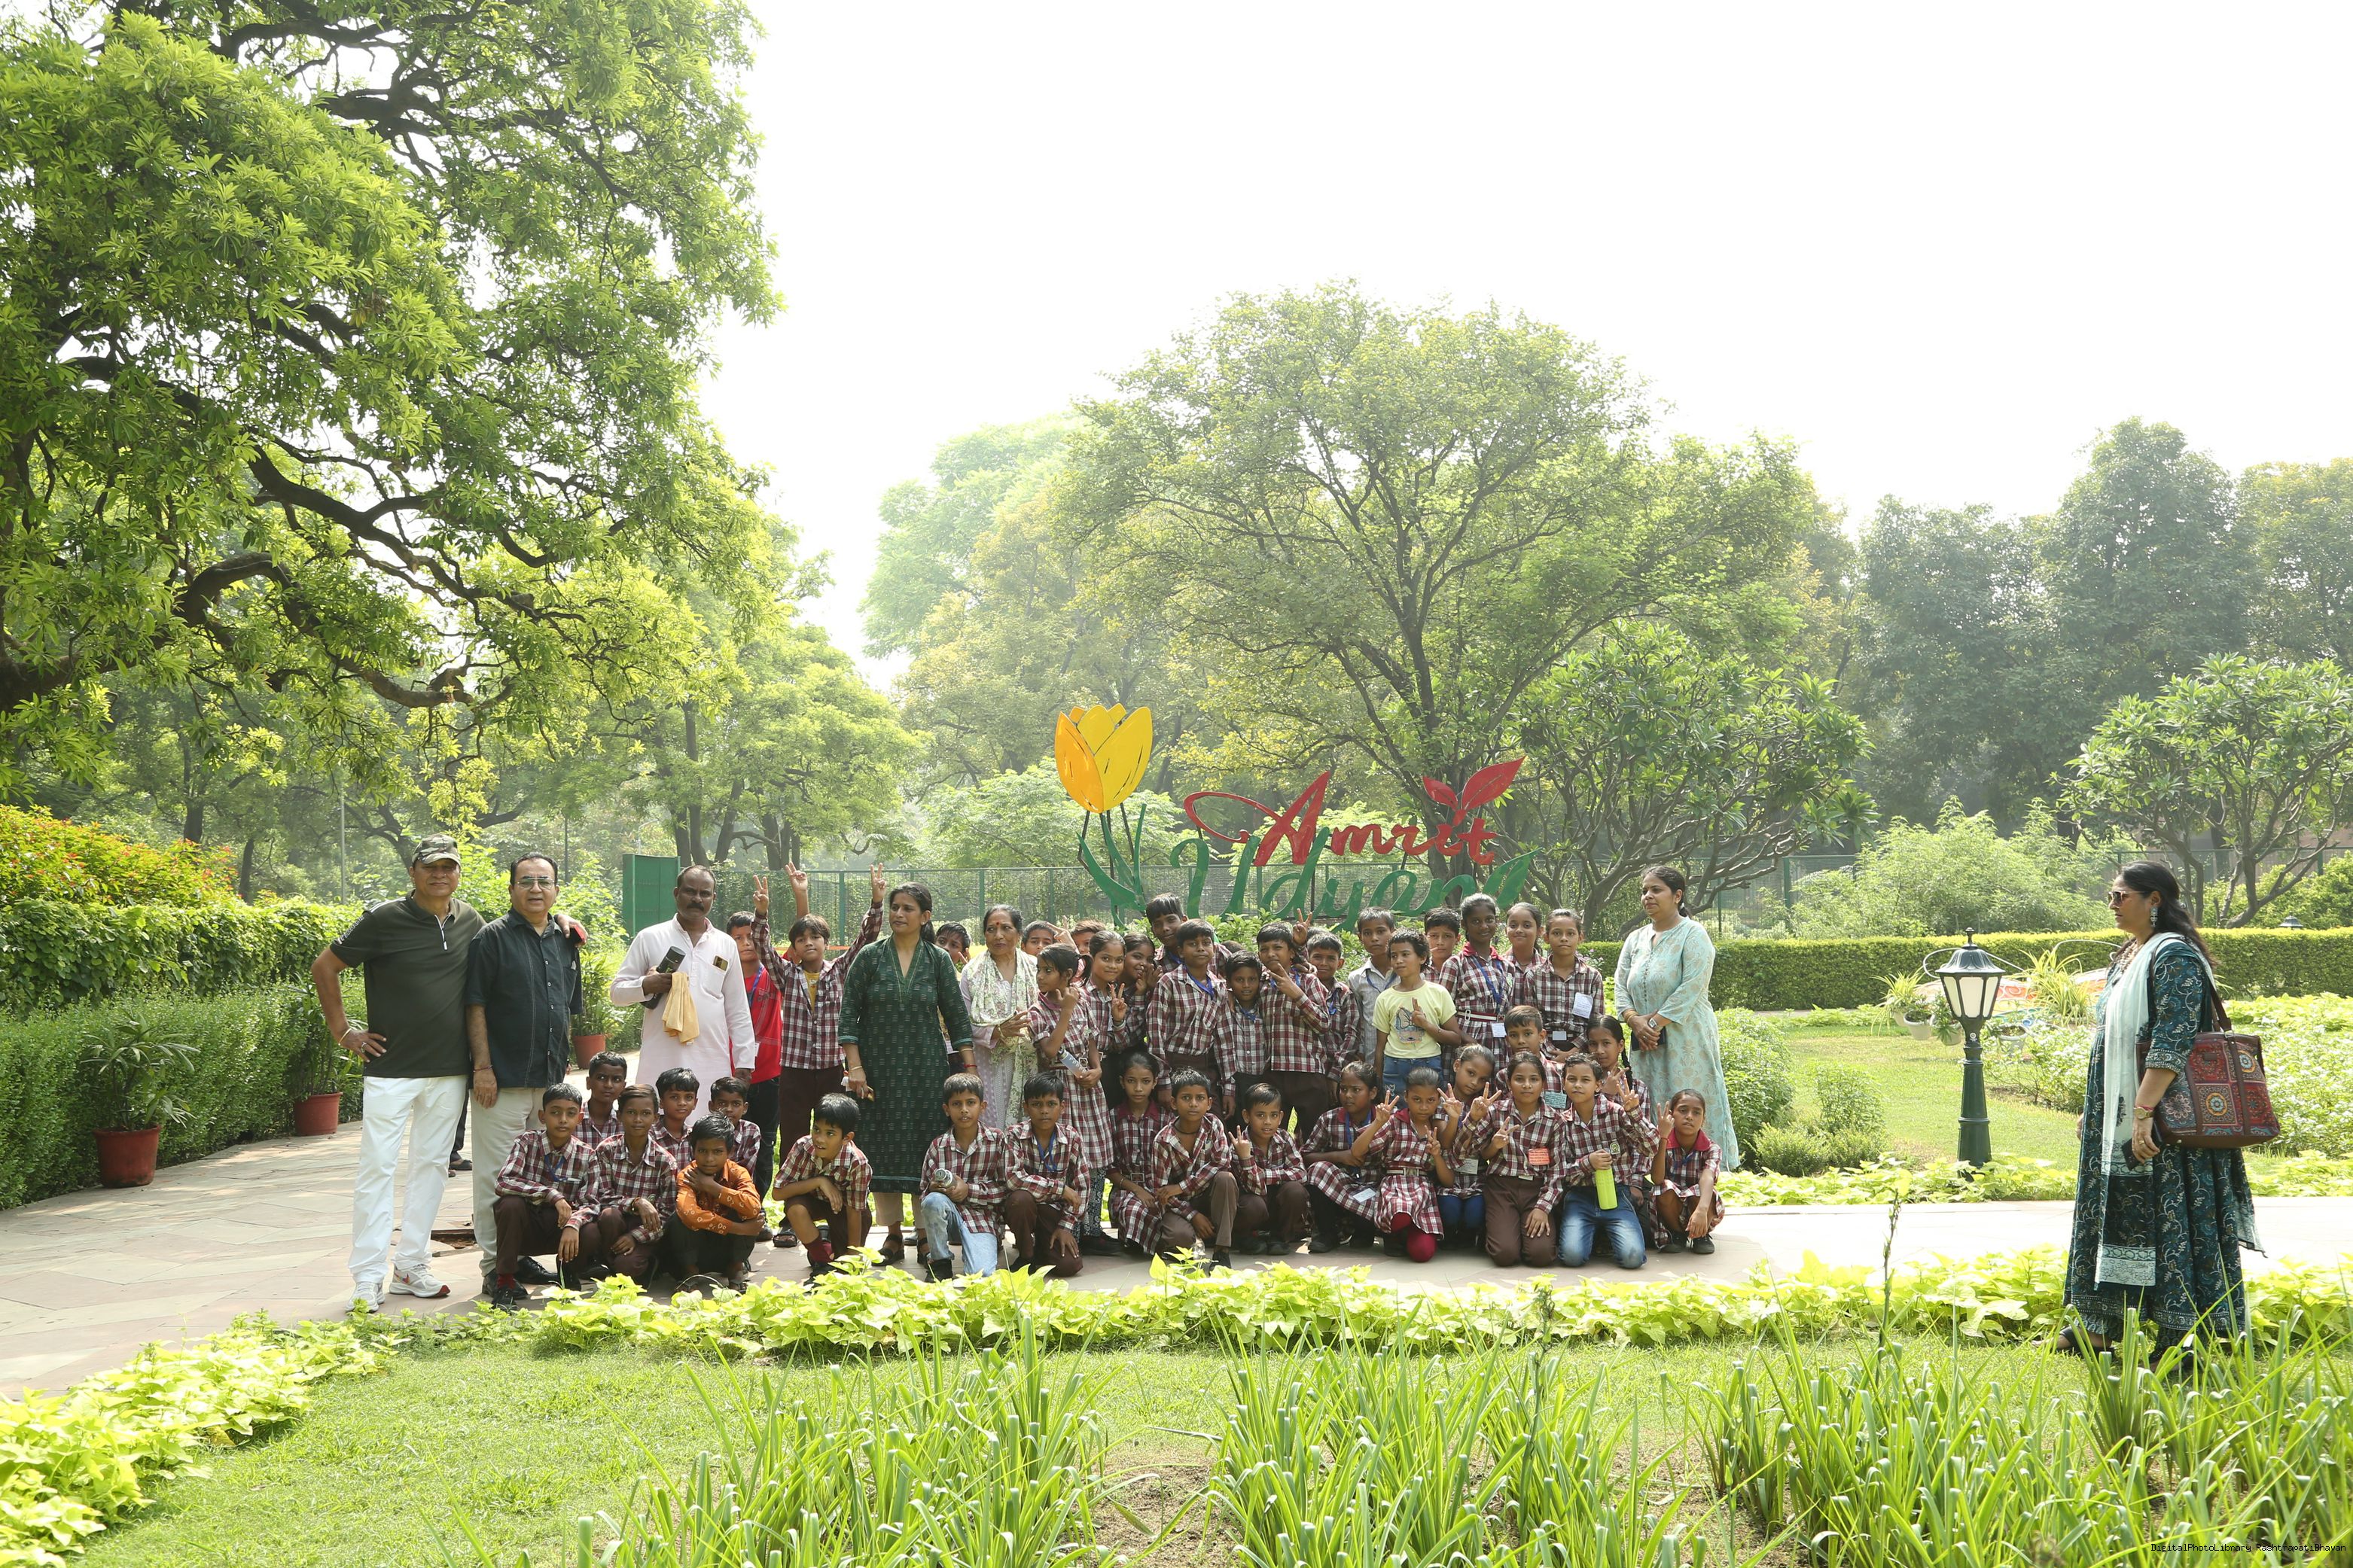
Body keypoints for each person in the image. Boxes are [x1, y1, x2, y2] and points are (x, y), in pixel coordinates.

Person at [2062, 861, 2260, 1356]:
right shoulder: (2129, 954)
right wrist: (2098, 1108)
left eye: (2121, 896)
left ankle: (2184, 1339)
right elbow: (2112, 1040)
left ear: (2154, 900)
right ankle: (2098, 1326)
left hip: (2167, 1117)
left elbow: (2174, 1039)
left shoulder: (2175, 955)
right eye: (2110, 896)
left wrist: (2143, 1112)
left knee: (2172, 1219)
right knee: (2114, 1214)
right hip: (2121, 1110)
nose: (2112, 904)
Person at [314, 833, 482, 1308]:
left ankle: (411, 1266)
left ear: (458, 873)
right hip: (391, 1069)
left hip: (449, 1070)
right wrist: (344, 1032)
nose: (440, 875)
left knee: (432, 1169)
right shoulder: (384, 919)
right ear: (413, 872)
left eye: (448, 867)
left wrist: (562, 921)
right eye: (431, 867)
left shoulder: (470, 920)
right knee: (378, 1169)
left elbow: (511, 938)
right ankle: (368, 1275)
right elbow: (325, 967)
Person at [463, 852, 585, 1298]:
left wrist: (563, 1066)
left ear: (556, 889)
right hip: (502, 1080)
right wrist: (482, 1068)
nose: (536, 888)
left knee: (545, 1177)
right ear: (512, 888)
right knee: (496, 1177)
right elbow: (475, 1005)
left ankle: (520, 1258)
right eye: (527, 881)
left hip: (548, 1084)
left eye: (544, 881)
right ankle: (495, 1268)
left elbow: (568, 1008)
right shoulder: (491, 939)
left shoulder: (566, 940)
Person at [837, 881, 975, 1265]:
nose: (898, 914)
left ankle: (926, 1235)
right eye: (894, 907)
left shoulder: (938, 960)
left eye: (907, 908)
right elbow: (848, 1014)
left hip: (925, 1069)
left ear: (925, 917)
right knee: (880, 1145)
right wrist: (855, 1067)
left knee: (924, 1147)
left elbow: (956, 1016)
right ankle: (893, 1235)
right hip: (877, 1069)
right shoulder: (870, 957)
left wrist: (970, 1068)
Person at [745, 863, 885, 1215]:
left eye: (815, 937)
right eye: (801, 939)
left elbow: (865, 940)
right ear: (794, 947)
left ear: (825, 942)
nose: (808, 943)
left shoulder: (839, 971)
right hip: (793, 1071)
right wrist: (761, 913)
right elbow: (762, 946)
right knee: (793, 1137)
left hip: (830, 1070)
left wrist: (876, 902)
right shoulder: (786, 974)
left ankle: (835, 1203)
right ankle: (794, 1210)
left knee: (833, 1135)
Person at [1614, 867, 1739, 1168]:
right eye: (1644, 891)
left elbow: (1692, 986)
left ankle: (1704, 1171)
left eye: (1656, 890)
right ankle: (1652, 1173)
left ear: (1677, 895)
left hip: (1686, 1038)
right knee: (1651, 1101)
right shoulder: (1635, 939)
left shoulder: (1693, 934)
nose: (1648, 896)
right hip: (1646, 1043)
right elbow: (1620, 984)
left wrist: (1653, 1024)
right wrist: (1634, 1020)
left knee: (1687, 1102)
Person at [611, 865, 757, 1119]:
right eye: (690, 891)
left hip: (711, 1057)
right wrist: (647, 985)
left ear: (713, 898)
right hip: (661, 1055)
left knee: (708, 1127)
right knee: (657, 1124)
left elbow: (737, 1009)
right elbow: (617, 993)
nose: (697, 899)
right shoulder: (650, 937)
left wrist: (745, 1062)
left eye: (705, 893)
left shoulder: (725, 944)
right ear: (676, 893)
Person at [1028, 942, 1116, 1255]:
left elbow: (1092, 1040)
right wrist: (1065, 1011)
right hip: (1060, 1091)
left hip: (1087, 1089)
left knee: (1095, 1159)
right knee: (1067, 1159)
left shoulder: (1083, 1000)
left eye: (1047, 971)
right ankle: (1071, 1228)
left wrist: (1097, 1069)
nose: (1040, 976)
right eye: (1039, 970)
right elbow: (1051, 1051)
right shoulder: (1037, 1011)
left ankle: (1092, 1228)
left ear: (1066, 975)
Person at [486, 1082, 601, 1309]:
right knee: (509, 1204)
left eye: (570, 1114)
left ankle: (567, 1272)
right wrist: (552, 1195)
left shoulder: (587, 1155)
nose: (563, 1120)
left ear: (579, 1118)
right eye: (555, 1112)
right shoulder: (527, 1142)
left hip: (560, 1230)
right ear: (542, 1116)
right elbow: (504, 1181)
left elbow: (592, 1203)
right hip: (526, 1227)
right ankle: (505, 1284)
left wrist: (573, 1225)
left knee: (592, 1230)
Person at [1555, 1055, 1657, 1269]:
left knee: (1632, 1258)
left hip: (1617, 1194)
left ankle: (1607, 1234)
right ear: (1563, 1084)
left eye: (1585, 1080)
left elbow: (1651, 1147)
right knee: (1572, 1257)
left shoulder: (1616, 1113)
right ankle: (1593, 1235)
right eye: (1572, 1079)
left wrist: (1635, 1113)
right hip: (1580, 1197)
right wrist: (1588, 1163)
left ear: (1598, 1085)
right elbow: (1559, 1172)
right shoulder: (1562, 1122)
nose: (1578, 1085)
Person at [1474, 1052, 1566, 1267]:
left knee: (1541, 1256)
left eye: (1534, 1079)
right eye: (1519, 1079)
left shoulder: (1554, 1120)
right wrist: (1493, 1145)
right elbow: (1471, 1151)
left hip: (1536, 1190)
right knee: (1505, 1254)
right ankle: (1495, 1231)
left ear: (1543, 1084)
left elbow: (1558, 1171)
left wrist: (1543, 1207)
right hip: (1502, 1188)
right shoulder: (1496, 1112)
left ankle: (1519, 1231)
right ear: (1508, 1083)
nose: (1527, 1085)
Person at [773, 1092, 872, 1282]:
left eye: (830, 1134)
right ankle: (822, 1260)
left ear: (847, 1138)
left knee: (845, 1265)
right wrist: (819, 1181)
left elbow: (854, 1210)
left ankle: (827, 1242)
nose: (820, 1139)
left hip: (844, 1210)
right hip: (812, 1202)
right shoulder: (803, 1147)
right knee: (795, 1208)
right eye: (816, 1130)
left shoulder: (857, 1162)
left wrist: (852, 1257)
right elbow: (778, 1193)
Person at [916, 1073, 1007, 1280]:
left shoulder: (997, 1141)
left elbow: (1006, 1189)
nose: (964, 1110)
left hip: (983, 1219)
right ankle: (940, 1261)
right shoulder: (938, 1146)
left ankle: (989, 1243)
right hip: (949, 1218)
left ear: (982, 1106)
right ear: (946, 1109)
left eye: (970, 1103)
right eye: (957, 1104)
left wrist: (969, 1190)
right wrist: (934, 1188)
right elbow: (924, 1193)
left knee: (980, 1276)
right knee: (933, 1201)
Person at [584, 1085, 676, 1284]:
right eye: (631, 1113)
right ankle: (612, 1263)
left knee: (627, 1265)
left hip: (647, 1230)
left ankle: (642, 1264)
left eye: (645, 1114)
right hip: (613, 1225)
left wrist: (635, 1236)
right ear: (619, 1116)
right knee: (609, 1216)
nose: (638, 1120)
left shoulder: (664, 1161)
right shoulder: (606, 1150)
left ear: (655, 1118)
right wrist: (637, 1202)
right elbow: (601, 1197)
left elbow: (668, 1213)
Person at [1148, 1069, 1239, 1268]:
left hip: (1209, 1198)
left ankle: (1222, 1251)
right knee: (1180, 1237)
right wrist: (1193, 1215)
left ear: (1209, 1103)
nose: (1193, 1104)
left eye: (1200, 1098)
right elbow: (1162, 1192)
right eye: (1186, 1098)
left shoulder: (1214, 1125)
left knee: (1226, 1178)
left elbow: (1222, 1162)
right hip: (1178, 1206)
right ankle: (1190, 1239)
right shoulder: (1163, 1141)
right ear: (1174, 1103)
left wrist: (1181, 1186)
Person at [666, 1113, 767, 1289]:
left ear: (730, 1152)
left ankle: (736, 1269)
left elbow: (753, 1207)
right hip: (696, 1251)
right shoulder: (688, 1176)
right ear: (693, 1150)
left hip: (728, 1250)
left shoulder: (738, 1173)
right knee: (678, 1218)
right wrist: (741, 1229)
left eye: (717, 1152)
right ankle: (690, 1273)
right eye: (703, 1151)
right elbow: (690, 1214)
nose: (709, 1159)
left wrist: (713, 1187)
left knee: (750, 1214)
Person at [961, 904, 1040, 1127]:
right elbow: (963, 1023)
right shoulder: (972, 972)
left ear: (1019, 933)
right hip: (987, 1062)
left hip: (1031, 1060)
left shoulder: (1036, 968)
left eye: (1006, 928)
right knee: (992, 1123)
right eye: (991, 929)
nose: (998, 936)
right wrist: (996, 1031)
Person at [1254, 924, 1334, 1137]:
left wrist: (1297, 994)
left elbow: (1323, 1024)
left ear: (1291, 952)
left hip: (1308, 1071)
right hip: (1274, 1072)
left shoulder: (1308, 981)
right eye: (1264, 949)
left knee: (1314, 1135)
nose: (1271, 953)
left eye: (1277, 947)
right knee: (1271, 1135)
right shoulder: (1260, 984)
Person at [1586, 1015, 1661, 1244]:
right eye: (1593, 1044)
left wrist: (1636, 1183)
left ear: (1620, 1046)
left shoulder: (1637, 1088)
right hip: (1589, 1175)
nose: (1599, 1051)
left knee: (1647, 1232)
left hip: (1627, 1176)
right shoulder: (1580, 1085)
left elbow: (1643, 1141)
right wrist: (1604, 1095)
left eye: (1606, 1043)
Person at [1003, 1073, 1086, 1277]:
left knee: (1069, 1266)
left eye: (1051, 1104)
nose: (1044, 1111)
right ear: (1026, 1107)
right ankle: (1026, 1255)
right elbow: (1014, 1179)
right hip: (1024, 1207)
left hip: (1053, 1210)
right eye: (1037, 1104)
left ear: (1062, 1107)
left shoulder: (1072, 1137)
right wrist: (1059, 1188)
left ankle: (1042, 1246)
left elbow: (1082, 1187)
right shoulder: (1014, 1135)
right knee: (1019, 1200)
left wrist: (1065, 1227)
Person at [1302, 1060, 1383, 1252]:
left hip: (1374, 1189)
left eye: (1356, 1090)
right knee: (1318, 1170)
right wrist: (1340, 1156)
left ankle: (1364, 1232)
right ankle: (1327, 1234)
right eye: (1343, 1089)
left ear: (1372, 1093)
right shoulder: (1329, 1119)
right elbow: (1306, 1156)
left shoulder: (1385, 1118)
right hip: (1342, 1187)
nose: (1347, 1095)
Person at [1370, 930, 1458, 1097]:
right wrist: (1378, 1082)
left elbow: (1455, 1038)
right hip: (1394, 1066)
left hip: (1429, 1064)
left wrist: (1426, 1025)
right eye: (1394, 956)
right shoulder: (1385, 998)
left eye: (1405, 954)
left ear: (1422, 957)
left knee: (1427, 1111)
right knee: (1396, 1111)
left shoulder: (1438, 993)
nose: (1399, 960)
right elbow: (1380, 1046)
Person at [1147, 919, 1228, 1095]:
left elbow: (1223, 1038)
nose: (1200, 948)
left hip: (1202, 1064)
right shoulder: (1169, 982)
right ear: (1181, 951)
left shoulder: (1219, 987)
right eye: (1193, 944)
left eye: (1206, 943)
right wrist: (1163, 1081)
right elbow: (1156, 1033)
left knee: (1209, 1109)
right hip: (1172, 1063)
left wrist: (1229, 1085)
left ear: (1214, 949)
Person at [1104, 1052, 1172, 1257]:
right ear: (1122, 1082)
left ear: (1155, 1083)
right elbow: (1109, 1167)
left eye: (1146, 1081)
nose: (1139, 1088)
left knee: (1166, 1216)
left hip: (1159, 1187)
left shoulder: (1166, 1118)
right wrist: (1137, 1190)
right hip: (1126, 1188)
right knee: (1133, 1211)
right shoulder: (1113, 1117)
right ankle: (1140, 1242)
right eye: (1132, 1081)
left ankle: (1151, 1241)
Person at [1230, 1082, 1311, 1253]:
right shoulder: (1239, 1146)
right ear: (1246, 1116)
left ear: (1280, 1117)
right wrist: (1246, 1159)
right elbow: (1253, 1187)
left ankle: (1280, 1237)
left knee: (1296, 1191)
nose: (1267, 1122)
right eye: (1260, 1115)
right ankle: (1244, 1238)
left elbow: (1301, 1174)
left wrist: (1264, 1175)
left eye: (1273, 1115)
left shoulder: (1285, 1138)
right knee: (1253, 1205)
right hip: (1253, 1205)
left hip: (1278, 1205)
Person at [1436, 894, 1517, 1055]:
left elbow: (1509, 1009)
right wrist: (1466, 1039)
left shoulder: (1507, 966)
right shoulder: (1456, 964)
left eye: (1489, 920)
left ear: (1497, 921)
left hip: (1500, 1042)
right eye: (1476, 921)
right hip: (1467, 1042)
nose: (1484, 926)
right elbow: (1441, 1013)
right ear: (1464, 924)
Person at [1437, 1047, 1496, 1249]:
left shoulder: (1484, 1106)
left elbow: (1482, 1148)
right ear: (1457, 1066)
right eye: (1471, 1073)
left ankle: (1469, 1235)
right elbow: (1446, 1143)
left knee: (1474, 1215)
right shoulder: (1442, 1100)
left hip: (1475, 1179)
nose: (1474, 1082)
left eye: (1482, 1079)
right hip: (1447, 1177)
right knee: (1450, 1211)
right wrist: (1455, 1117)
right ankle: (1449, 1234)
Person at [1527, 909, 1605, 1060]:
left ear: (1580, 937)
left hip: (1582, 1050)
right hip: (1544, 1049)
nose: (1564, 939)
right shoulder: (1534, 976)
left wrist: (1573, 1052)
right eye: (1557, 933)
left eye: (1570, 934)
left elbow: (1596, 1022)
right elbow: (1531, 1021)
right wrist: (1550, 1053)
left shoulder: (1592, 977)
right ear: (1546, 937)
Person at [1652, 1089, 1723, 1255]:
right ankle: (1677, 1234)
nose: (1689, 1117)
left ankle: (1701, 1236)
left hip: (1700, 1205)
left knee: (1703, 1191)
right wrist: (1663, 1138)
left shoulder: (1712, 1148)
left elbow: (1707, 1177)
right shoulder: (1661, 1142)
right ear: (1671, 1115)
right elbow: (1657, 1179)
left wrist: (1702, 1210)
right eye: (1683, 1111)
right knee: (1663, 1188)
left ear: (1703, 1120)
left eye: (1696, 1113)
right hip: (1673, 1206)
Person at [1213, 953, 1269, 1120]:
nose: (1246, 985)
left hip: (1263, 1079)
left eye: (1252, 979)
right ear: (1229, 982)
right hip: (1234, 1080)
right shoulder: (1224, 1007)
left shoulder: (1266, 1005)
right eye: (1239, 980)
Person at [1346, 909, 1397, 1064]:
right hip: (1371, 1056)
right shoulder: (1356, 978)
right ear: (1360, 938)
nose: (1374, 938)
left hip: (1405, 1056)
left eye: (1381, 931)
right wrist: (1360, 1051)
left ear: (1393, 932)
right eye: (1367, 933)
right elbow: (1358, 1020)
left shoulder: (1407, 972)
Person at [709, 1076, 763, 1174]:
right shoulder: (703, 1130)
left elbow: (745, 1172)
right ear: (711, 1107)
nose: (729, 1109)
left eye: (736, 1104)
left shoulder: (751, 1131)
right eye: (722, 1103)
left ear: (745, 1108)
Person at [578, 1051, 629, 1146]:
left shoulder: (626, 1124)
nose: (608, 1085)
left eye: (616, 1079)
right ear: (589, 1083)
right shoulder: (572, 1119)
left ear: (624, 1087)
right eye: (601, 1078)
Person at [651, 1067, 699, 1165]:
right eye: (674, 1097)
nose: (682, 1103)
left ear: (695, 1103)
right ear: (661, 1102)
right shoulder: (650, 1136)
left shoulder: (696, 1136)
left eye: (689, 1097)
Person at [1422, 907, 1462, 973]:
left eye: (1447, 936)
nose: (1440, 942)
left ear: (1457, 939)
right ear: (1425, 938)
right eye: (1434, 936)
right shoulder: (1418, 970)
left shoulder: (1465, 969)